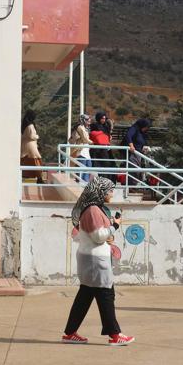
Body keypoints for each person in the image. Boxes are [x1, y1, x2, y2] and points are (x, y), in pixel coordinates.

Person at [62, 178, 134, 346]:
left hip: (90, 259)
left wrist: (107, 235)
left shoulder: (92, 208)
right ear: (100, 191)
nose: (111, 194)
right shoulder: (93, 210)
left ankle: (70, 333)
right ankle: (115, 335)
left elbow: (89, 236)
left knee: (85, 297)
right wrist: (114, 226)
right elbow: (98, 236)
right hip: (95, 262)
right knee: (106, 295)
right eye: (109, 190)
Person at [20, 110, 45, 184]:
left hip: (26, 145)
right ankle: (39, 178)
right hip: (31, 146)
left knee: (28, 161)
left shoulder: (24, 125)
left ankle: (36, 177)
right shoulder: (30, 125)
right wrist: (37, 136)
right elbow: (31, 136)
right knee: (36, 161)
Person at [89, 112, 115, 182]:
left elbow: (108, 135)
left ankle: (105, 180)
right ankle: (98, 180)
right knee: (97, 164)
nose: (104, 120)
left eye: (104, 118)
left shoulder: (106, 126)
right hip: (96, 149)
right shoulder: (94, 125)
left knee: (106, 164)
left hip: (105, 148)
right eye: (102, 118)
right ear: (98, 118)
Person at [124, 118, 151, 184]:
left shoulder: (142, 132)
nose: (146, 129)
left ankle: (135, 185)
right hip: (133, 153)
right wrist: (131, 145)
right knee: (133, 170)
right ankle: (131, 186)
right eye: (145, 127)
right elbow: (128, 136)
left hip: (139, 154)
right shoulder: (134, 128)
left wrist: (143, 148)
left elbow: (141, 142)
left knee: (138, 171)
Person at [70, 113, 94, 182]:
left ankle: (85, 182)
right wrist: (93, 143)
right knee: (82, 167)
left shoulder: (85, 127)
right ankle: (81, 183)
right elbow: (85, 139)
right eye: (87, 119)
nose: (89, 120)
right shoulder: (80, 127)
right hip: (81, 150)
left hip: (85, 149)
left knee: (88, 166)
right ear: (83, 120)